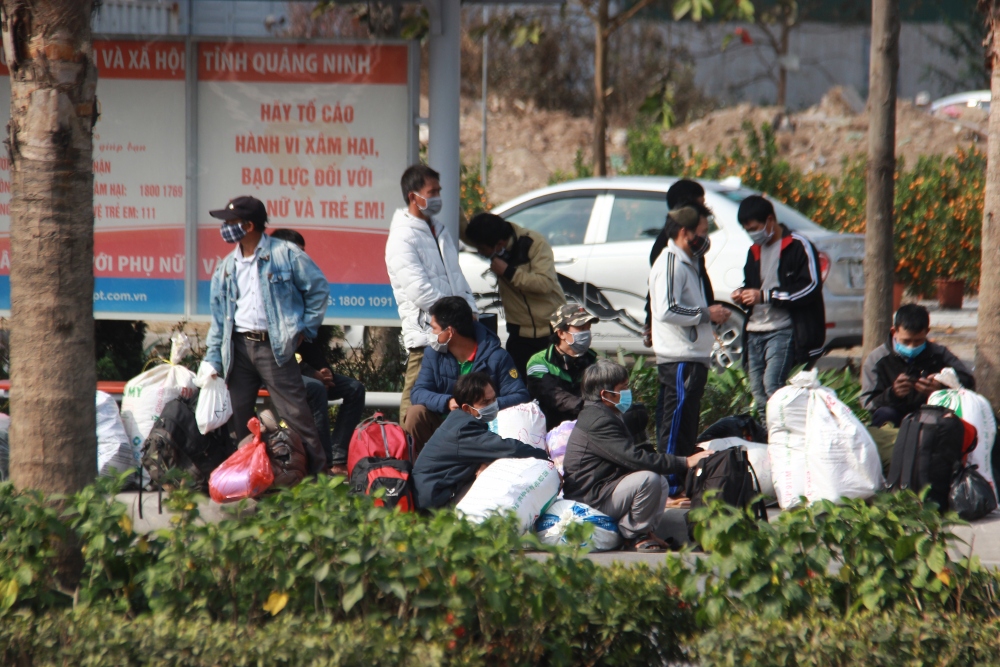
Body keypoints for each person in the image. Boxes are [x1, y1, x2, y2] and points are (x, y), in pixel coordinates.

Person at [203, 196, 329, 474]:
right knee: (241, 420)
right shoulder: (226, 267)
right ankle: (252, 480)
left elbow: (318, 288)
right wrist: (212, 360)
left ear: (248, 226)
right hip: (238, 348)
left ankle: (318, 485)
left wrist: (304, 330)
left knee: (296, 416)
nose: (225, 227)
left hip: (274, 347)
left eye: (231, 222)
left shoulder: (285, 253)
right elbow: (218, 320)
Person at [561, 360, 710, 552]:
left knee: (661, 482)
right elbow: (634, 458)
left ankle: (646, 532)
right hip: (590, 497)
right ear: (605, 395)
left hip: (604, 488)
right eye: (623, 388)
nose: (628, 393)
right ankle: (633, 535)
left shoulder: (606, 413)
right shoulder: (598, 420)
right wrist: (685, 461)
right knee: (649, 479)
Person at [385, 164, 477, 423]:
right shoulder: (402, 237)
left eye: (439, 191)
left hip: (452, 333)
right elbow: (419, 291)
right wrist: (456, 317)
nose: (437, 197)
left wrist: (471, 310)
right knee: (414, 401)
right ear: (413, 197)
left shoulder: (440, 230)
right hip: (426, 336)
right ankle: (402, 456)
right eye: (431, 191)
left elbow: (457, 277)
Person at [270, 228, 366, 475]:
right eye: (297, 255)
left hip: (302, 370)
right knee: (314, 389)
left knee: (354, 389)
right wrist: (311, 373)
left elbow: (310, 341)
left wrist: (323, 369)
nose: (303, 261)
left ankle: (338, 457)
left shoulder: (302, 293)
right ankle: (321, 464)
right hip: (274, 371)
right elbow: (272, 351)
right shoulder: (270, 292)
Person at [648, 206, 731, 462]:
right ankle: (672, 484)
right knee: (675, 424)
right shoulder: (670, 263)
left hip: (692, 356)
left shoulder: (689, 262)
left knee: (685, 424)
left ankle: (680, 482)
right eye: (703, 232)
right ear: (685, 232)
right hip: (679, 358)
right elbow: (666, 309)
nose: (705, 239)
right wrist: (707, 313)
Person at [732, 195, 826, 412]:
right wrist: (743, 294)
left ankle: (781, 435)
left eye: (755, 227)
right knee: (757, 390)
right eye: (748, 230)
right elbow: (753, 285)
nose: (753, 234)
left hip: (783, 329)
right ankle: (768, 437)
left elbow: (811, 287)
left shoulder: (798, 245)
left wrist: (765, 296)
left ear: (770, 220)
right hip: (754, 330)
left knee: (773, 385)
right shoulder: (754, 251)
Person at [406, 296, 531, 454]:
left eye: (434, 328)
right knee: (415, 413)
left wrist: (484, 405)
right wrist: (447, 402)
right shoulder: (433, 354)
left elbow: (520, 396)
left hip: (483, 429)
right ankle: (422, 468)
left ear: (450, 332)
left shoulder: (497, 356)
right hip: (443, 427)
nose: (431, 333)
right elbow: (418, 392)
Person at [412, 372, 550, 510]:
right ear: (467, 408)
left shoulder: (458, 420)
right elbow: (509, 448)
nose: (493, 405)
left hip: (440, 489)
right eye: (485, 402)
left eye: (494, 399)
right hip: (435, 500)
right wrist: (545, 458)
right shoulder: (464, 430)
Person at [464, 212, 566, 378]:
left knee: (553, 387)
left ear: (500, 244)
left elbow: (545, 284)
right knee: (519, 386)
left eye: (483, 249)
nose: (480, 253)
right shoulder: (490, 243)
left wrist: (508, 272)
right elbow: (464, 231)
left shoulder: (533, 243)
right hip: (519, 336)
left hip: (550, 331)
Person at [861, 304, 974, 427]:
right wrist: (893, 394)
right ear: (894, 332)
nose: (912, 347)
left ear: (927, 332)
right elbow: (868, 403)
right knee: (885, 413)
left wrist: (939, 387)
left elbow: (967, 381)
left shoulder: (939, 354)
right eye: (906, 341)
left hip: (929, 415)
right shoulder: (877, 359)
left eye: (918, 341)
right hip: (894, 415)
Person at [643, 179, 710, 348]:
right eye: (699, 204)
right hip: (680, 345)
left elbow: (701, 282)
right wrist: (649, 321)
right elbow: (661, 298)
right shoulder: (668, 253)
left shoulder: (692, 248)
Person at [525, 304, 598, 430]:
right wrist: (587, 408)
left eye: (588, 328)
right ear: (561, 333)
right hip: (549, 428)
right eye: (580, 328)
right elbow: (552, 395)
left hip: (586, 426)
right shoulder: (539, 361)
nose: (586, 333)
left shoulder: (593, 361)